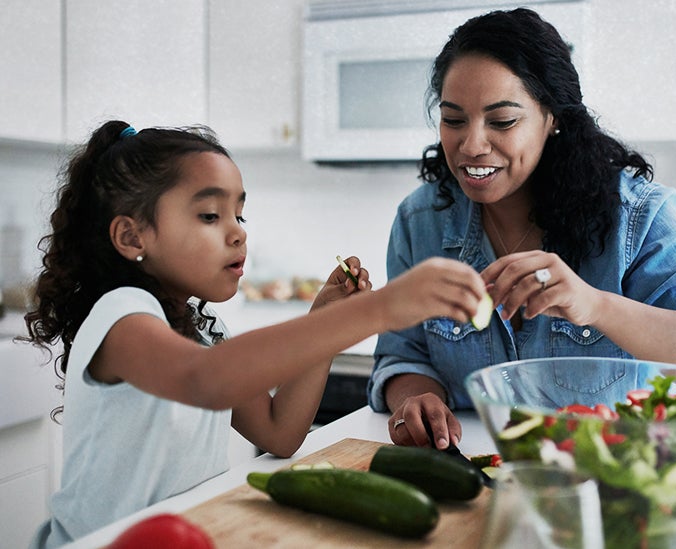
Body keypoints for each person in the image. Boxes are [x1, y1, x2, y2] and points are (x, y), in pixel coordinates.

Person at [23, 120, 489, 547]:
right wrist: (380, 308)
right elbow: (203, 380)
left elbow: (278, 432)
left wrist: (320, 322)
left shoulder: (202, 328)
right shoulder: (122, 314)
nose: (238, 234)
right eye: (210, 216)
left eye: (239, 216)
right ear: (131, 237)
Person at [367, 8, 676, 451]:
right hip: (470, 476)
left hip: (606, 481)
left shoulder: (637, 215)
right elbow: (403, 354)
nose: (472, 145)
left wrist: (596, 305)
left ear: (553, 118)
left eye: (502, 121)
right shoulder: (418, 221)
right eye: (454, 119)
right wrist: (417, 396)